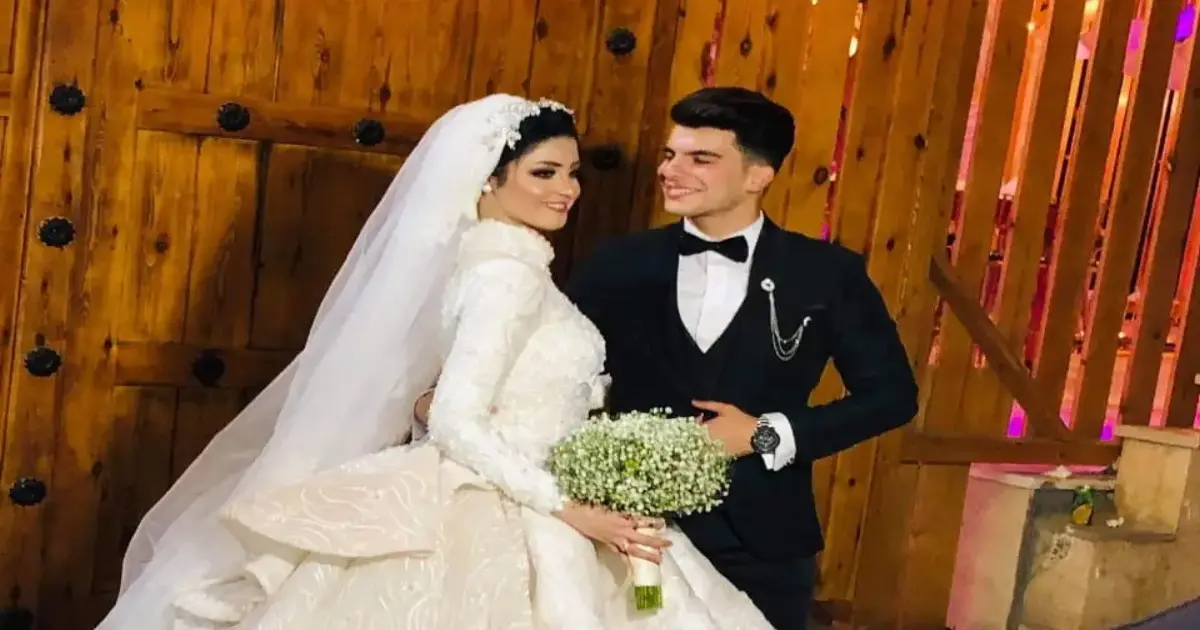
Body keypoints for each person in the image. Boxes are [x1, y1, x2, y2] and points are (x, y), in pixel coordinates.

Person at [95, 94, 773, 629]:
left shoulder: (496, 264)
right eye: (543, 172)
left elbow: (446, 397)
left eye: (571, 173)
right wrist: (570, 509)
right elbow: (455, 418)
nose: (567, 189)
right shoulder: (505, 275)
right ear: (487, 178)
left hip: (515, 485)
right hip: (509, 507)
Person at [416, 87, 920, 629]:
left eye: (700, 158)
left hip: (762, 538)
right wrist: (438, 403)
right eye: (669, 154)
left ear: (758, 175)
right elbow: (541, 364)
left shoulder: (826, 274)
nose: (670, 171)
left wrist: (765, 435)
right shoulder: (615, 264)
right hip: (630, 535)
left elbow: (892, 396)